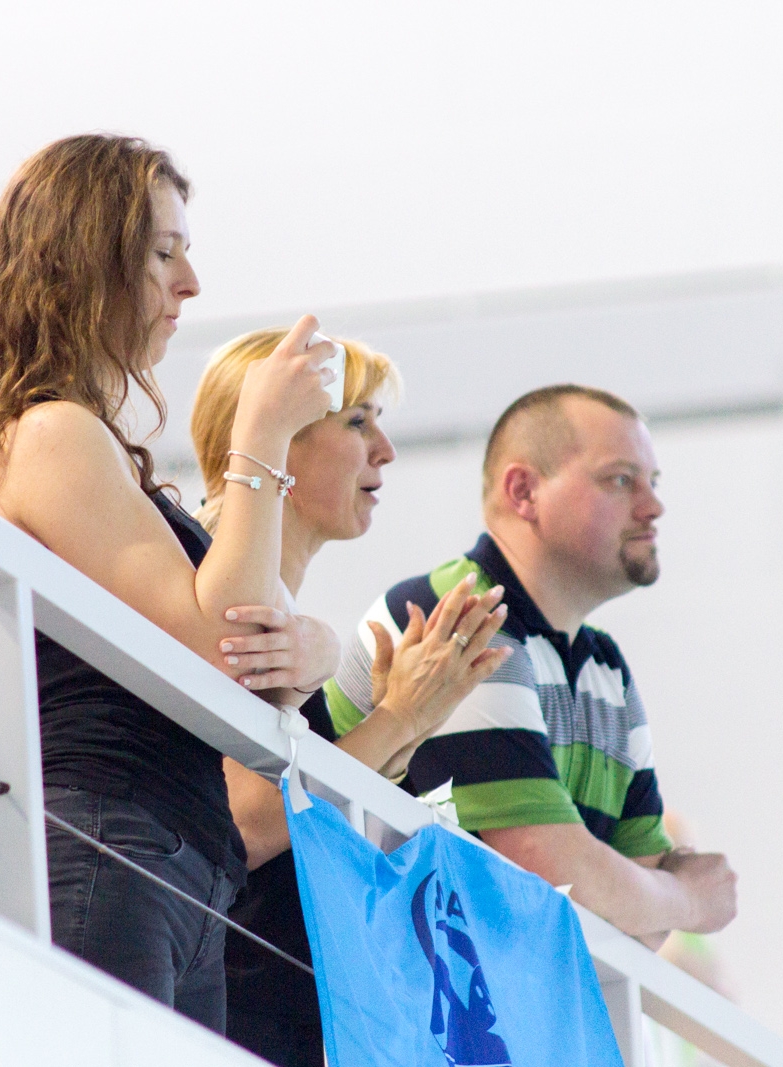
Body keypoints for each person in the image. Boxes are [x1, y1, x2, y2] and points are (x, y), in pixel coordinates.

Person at [0, 133, 340, 1030]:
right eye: (165, 253)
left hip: (174, 862)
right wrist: (261, 437)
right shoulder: (50, 433)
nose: (190, 284)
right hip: (112, 841)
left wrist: (319, 644)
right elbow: (222, 639)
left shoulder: (88, 444)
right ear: (87, 257)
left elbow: (254, 640)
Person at [189, 329, 512, 1066]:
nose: (386, 450)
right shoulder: (218, 585)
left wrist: (403, 727)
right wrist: (397, 718)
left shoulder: (261, 598)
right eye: (358, 422)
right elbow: (245, 824)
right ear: (281, 439)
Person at [329, 384, 739, 946]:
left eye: (653, 482)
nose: (653, 506)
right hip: (325, 1000)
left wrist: (645, 899)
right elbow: (540, 858)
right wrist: (689, 898)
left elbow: (641, 928)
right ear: (524, 491)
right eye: (620, 479)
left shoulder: (607, 671)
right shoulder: (459, 612)